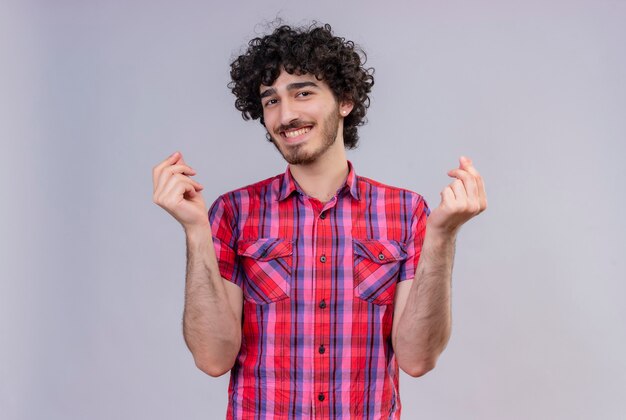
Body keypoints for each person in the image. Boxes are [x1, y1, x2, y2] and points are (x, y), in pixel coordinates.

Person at [152, 23, 487, 419]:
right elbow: (211, 358)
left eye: (303, 93)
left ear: (344, 100)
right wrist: (195, 231)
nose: (286, 115)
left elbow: (417, 359)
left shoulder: (406, 211)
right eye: (271, 101)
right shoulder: (233, 213)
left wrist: (443, 236)